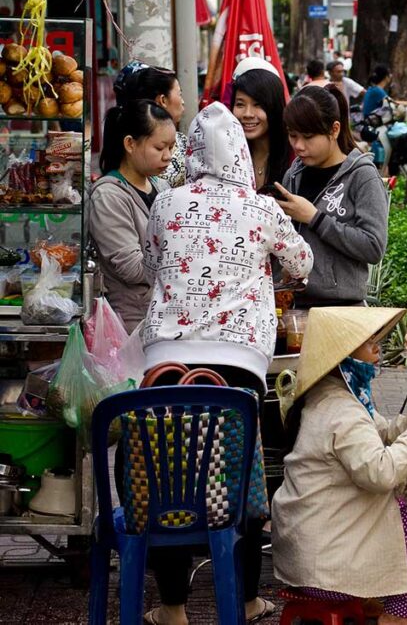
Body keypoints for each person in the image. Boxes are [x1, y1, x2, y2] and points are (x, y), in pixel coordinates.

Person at [139, 102, 313, 625]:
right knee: (241, 485)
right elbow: (302, 263)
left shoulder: (166, 203)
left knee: (168, 481)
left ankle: (171, 608)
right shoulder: (261, 209)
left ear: (190, 151)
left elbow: (151, 265)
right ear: (240, 153)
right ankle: (245, 599)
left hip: (162, 366)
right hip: (237, 367)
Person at [273, 306, 407, 625]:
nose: (377, 349)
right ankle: (401, 615)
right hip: (328, 567)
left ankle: (385, 599)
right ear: (343, 356)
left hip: (313, 554)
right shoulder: (342, 411)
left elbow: (378, 434)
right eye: (368, 342)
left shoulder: (330, 396)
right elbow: (382, 474)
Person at [272, 84, 389, 307]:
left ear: (334, 130)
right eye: (292, 135)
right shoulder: (294, 174)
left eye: (308, 137)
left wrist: (315, 218)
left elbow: (373, 247)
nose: (298, 146)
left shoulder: (362, 176)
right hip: (292, 306)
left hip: (342, 310)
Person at [89, 99, 175, 331]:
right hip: (130, 324)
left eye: (171, 147)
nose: (167, 156)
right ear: (130, 144)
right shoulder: (108, 196)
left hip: (163, 316)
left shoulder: (162, 187)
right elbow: (131, 268)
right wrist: (182, 261)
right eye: (159, 148)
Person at [114, 61, 189, 187]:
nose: (167, 157)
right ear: (162, 100)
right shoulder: (142, 165)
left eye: (170, 147)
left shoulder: (182, 140)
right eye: (179, 94)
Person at [232, 57, 292, 190]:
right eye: (240, 104)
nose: (248, 114)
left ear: (274, 107)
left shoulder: (295, 156)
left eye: (258, 105)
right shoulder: (227, 154)